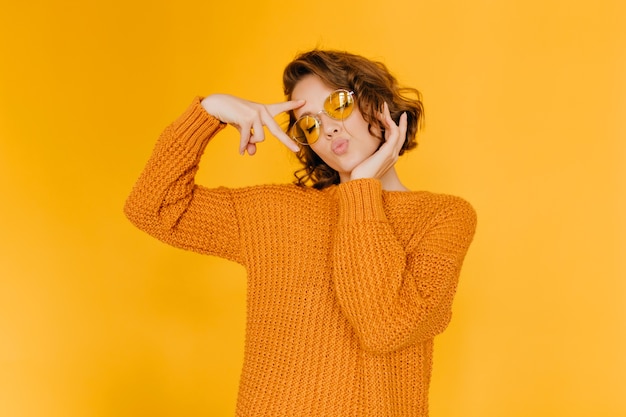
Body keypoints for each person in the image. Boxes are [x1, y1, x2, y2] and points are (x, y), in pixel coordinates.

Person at [124, 49, 477, 416]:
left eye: (339, 104)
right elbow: (153, 206)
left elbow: (384, 327)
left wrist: (360, 190)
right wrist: (209, 111)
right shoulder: (276, 213)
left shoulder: (443, 216)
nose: (329, 128)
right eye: (310, 124)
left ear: (376, 104)